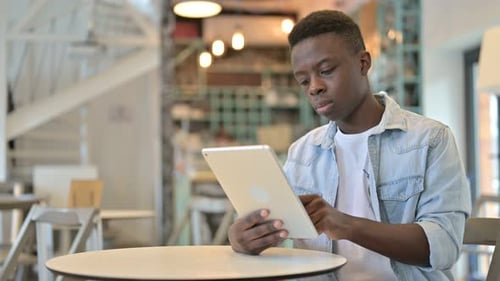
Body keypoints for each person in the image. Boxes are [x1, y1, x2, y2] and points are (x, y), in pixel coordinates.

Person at [227, 10, 471, 281]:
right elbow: (280, 233)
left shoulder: (430, 140)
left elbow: (444, 246)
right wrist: (244, 239)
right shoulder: (302, 153)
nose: (314, 88)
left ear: (363, 63)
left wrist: (346, 225)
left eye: (326, 71)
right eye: (304, 81)